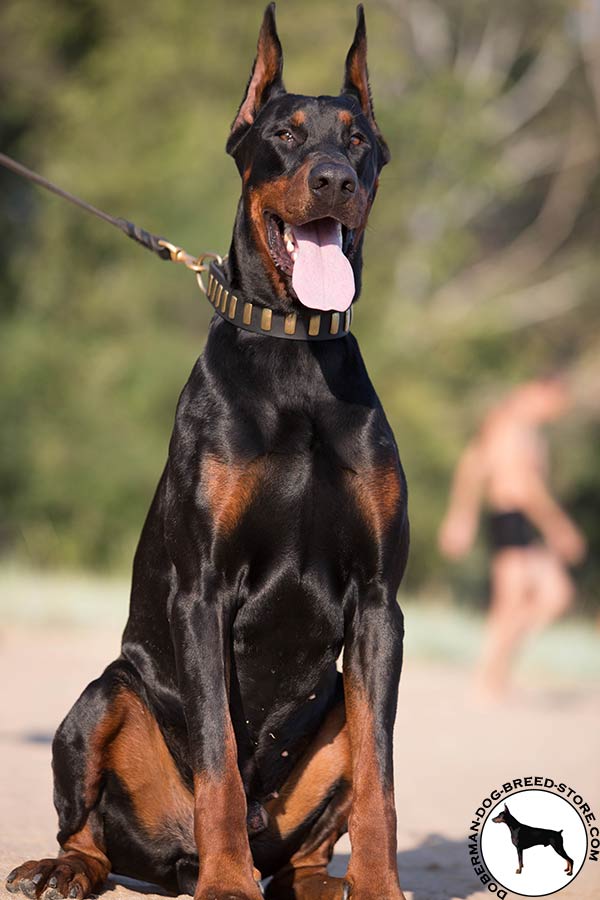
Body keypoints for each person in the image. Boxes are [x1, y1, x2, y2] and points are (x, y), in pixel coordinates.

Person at [438, 377, 587, 700]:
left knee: (555, 595)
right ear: (544, 391)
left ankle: (498, 670)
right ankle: (486, 679)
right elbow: (481, 468)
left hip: (525, 522)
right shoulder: (508, 423)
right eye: (558, 406)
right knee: (511, 602)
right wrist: (461, 516)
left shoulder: (527, 428)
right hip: (510, 518)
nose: (556, 414)